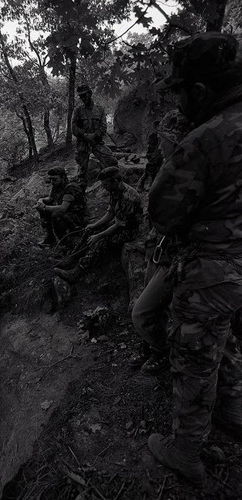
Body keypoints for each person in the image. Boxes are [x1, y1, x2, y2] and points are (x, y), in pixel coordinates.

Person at [146, 32, 242, 487]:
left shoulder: (205, 138)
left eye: (180, 91)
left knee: (195, 355)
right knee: (223, 336)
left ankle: (185, 449)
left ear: (200, 91)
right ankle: (233, 408)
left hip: (211, 267)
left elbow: (163, 213)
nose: (178, 102)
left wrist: (172, 154)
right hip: (236, 267)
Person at [130, 110, 191, 376]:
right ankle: (153, 349)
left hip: (175, 256)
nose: (158, 144)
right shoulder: (169, 167)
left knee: (141, 313)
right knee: (148, 309)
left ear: (174, 140)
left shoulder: (190, 174)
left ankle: (164, 351)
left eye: (162, 138)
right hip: (158, 248)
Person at [54, 166, 142, 283]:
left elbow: (119, 225)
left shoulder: (129, 197)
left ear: (115, 181)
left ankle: (77, 272)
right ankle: (73, 257)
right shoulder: (114, 190)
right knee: (89, 230)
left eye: (106, 185)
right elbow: (110, 213)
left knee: (101, 241)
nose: (104, 188)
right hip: (117, 224)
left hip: (128, 231)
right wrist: (95, 226)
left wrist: (98, 236)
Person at [72, 84, 118, 190]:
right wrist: (84, 134)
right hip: (82, 145)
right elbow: (74, 128)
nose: (83, 98)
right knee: (82, 173)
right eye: (81, 96)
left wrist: (94, 135)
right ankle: (81, 196)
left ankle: (113, 187)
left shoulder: (99, 109)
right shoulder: (77, 111)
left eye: (84, 95)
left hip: (97, 142)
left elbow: (103, 128)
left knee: (112, 162)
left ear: (90, 94)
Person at [36, 166, 89, 248]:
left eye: (54, 179)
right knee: (45, 211)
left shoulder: (70, 187)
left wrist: (44, 207)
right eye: (50, 179)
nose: (52, 181)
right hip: (69, 212)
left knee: (57, 215)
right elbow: (50, 199)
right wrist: (41, 200)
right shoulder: (57, 185)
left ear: (63, 177)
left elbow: (62, 208)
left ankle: (65, 244)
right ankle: (50, 238)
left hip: (79, 217)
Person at [136, 120, 163, 192]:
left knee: (156, 171)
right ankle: (140, 184)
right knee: (148, 171)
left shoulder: (161, 136)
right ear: (155, 127)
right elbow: (150, 147)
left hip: (159, 156)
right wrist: (151, 156)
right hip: (152, 156)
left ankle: (151, 184)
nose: (159, 128)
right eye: (158, 127)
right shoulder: (153, 136)